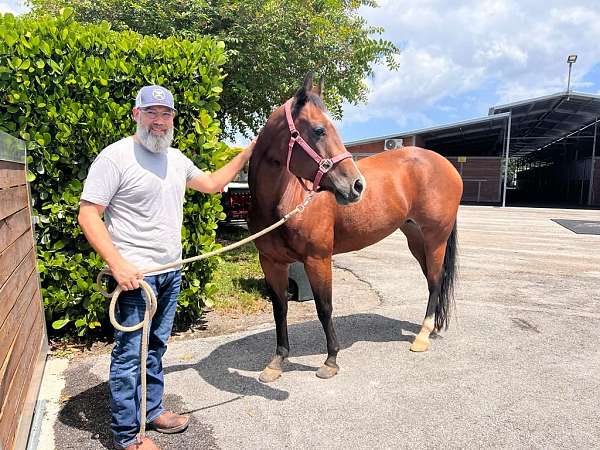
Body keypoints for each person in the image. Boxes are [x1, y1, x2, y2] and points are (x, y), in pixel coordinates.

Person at [78, 85, 254, 450]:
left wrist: (248, 151)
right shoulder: (115, 158)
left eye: (166, 114)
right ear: (136, 115)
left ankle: (152, 409)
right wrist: (118, 264)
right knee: (130, 355)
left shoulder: (176, 159)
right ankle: (127, 436)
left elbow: (213, 184)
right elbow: (88, 214)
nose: (159, 121)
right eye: (152, 113)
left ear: (172, 119)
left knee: (155, 347)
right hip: (135, 280)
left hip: (171, 272)